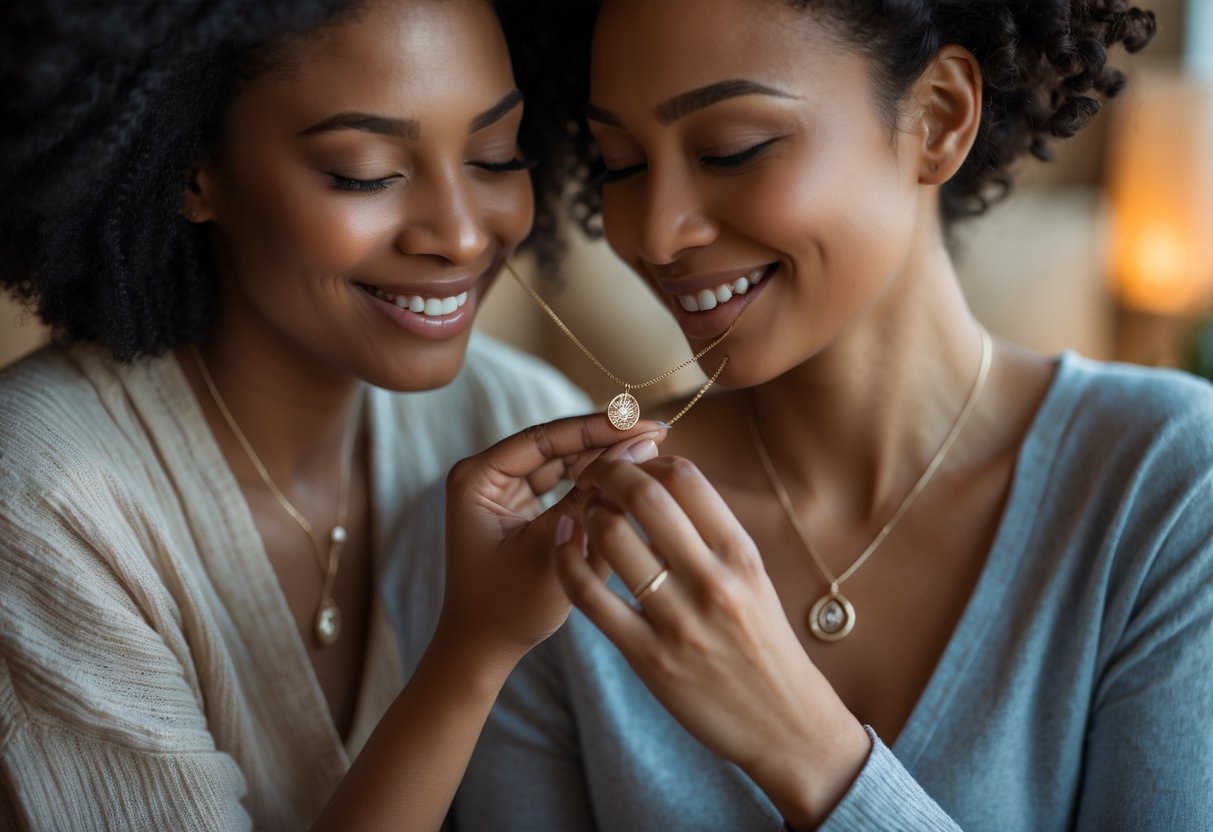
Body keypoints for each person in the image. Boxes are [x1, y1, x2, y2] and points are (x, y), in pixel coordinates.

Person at [454, 1, 1213, 829]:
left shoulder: (1170, 488)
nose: (658, 235)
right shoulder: (561, 532)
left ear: (937, 117)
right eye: (622, 165)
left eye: (731, 149)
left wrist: (803, 747)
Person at [0, 1, 662, 829]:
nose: (461, 235)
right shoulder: (43, 501)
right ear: (194, 172)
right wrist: (473, 652)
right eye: (365, 172)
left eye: (496, 156)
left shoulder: (517, 416)